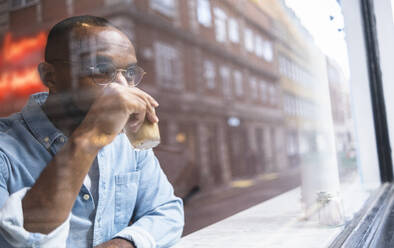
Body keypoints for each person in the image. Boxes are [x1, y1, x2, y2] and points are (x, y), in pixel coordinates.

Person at [0, 15, 184, 248]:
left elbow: (166, 211)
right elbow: (15, 240)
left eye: (129, 73)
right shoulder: (5, 150)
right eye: (102, 70)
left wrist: (120, 245)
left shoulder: (127, 141)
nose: (122, 89)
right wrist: (90, 137)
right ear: (50, 76)